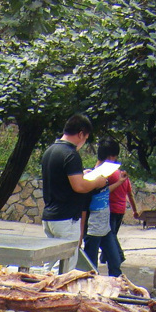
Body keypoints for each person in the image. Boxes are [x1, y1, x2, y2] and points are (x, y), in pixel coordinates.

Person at [40, 113, 111, 266]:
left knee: (49, 263)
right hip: (66, 218)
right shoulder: (71, 154)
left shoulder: (50, 151)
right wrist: (97, 182)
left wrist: (82, 174)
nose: (84, 142)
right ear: (80, 134)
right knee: (65, 265)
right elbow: (79, 186)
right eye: (85, 138)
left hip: (50, 216)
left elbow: (64, 179)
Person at [81, 139, 125, 277]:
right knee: (91, 269)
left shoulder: (103, 177)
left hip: (105, 228)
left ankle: (116, 292)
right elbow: (83, 204)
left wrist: (120, 182)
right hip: (93, 229)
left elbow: (104, 192)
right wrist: (81, 232)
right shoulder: (90, 176)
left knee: (115, 262)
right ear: (110, 157)